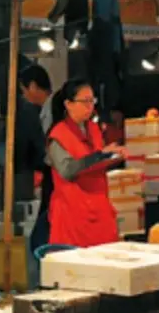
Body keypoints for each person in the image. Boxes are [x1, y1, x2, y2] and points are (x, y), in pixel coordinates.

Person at [45, 78, 127, 247]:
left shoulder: (94, 129)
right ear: (68, 104)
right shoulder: (58, 135)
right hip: (72, 214)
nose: (90, 106)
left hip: (99, 212)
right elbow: (68, 170)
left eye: (92, 101)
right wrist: (100, 156)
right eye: (85, 101)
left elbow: (97, 160)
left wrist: (110, 155)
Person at [20, 65, 54, 259]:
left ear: (32, 86)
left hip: (54, 175)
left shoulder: (49, 110)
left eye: (23, 90)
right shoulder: (49, 107)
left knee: (42, 230)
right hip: (52, 175)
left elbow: (46, 148)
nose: (24, 97)